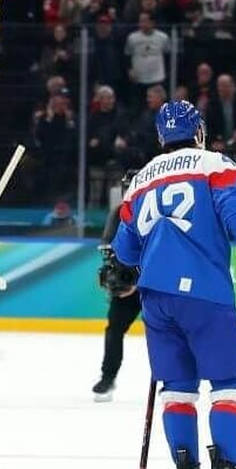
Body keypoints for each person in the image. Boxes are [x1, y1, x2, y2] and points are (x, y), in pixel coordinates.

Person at [111, 100, 236, 469]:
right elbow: (235, 207)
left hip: (155, 299)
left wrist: (122, 273)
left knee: (178, 387)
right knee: (229, 380)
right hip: (203, 290)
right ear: (198, 131)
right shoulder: (213, 164)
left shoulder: (141, 179)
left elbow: (124, 254)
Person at [92, 171, 142, 402]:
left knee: (168, 332)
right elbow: (109, 250)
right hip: (128, 285)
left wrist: (139, 281)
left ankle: (175, 381)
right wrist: (121, 279)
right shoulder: (118, 214)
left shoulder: (158, 214)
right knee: (114, 330)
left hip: (156, 284)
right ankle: (108, 377)